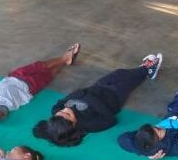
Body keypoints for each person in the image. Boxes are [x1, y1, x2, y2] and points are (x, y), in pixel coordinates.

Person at [33, 53, 163, 147]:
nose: (66, 109)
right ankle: (146, 69)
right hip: (115, 97)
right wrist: (86, 98)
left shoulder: (56, 110)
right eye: (68, 114)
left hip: (98, 88)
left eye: (61, 112)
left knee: (119, 73)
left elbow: (63, 101)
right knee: (128, 83)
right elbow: (110, 121)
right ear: (73, 124)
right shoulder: (88, 125)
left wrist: (83, 95)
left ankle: (143, 71)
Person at [0, 44, 81, 126]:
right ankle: (65, 61)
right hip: (30, 87)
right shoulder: (1, 109)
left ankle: (64, 58)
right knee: (48, 75)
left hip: (15, 76)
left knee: (41, 65)